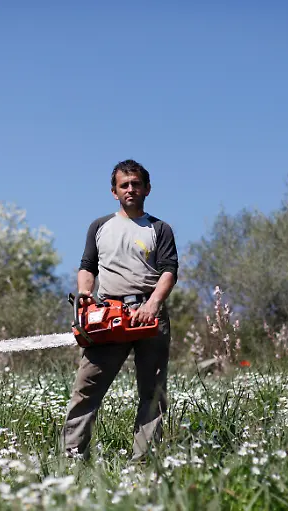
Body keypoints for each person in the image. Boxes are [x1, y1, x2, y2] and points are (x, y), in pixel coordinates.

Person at [61, 159, 178, 462]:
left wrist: (153, 304)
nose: (130, 189)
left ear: (147, 188)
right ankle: (72, 458)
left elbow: (169, 271)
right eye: (124, 185)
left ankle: (144, 463)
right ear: (114, 191)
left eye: (136, 184)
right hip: (108, 314)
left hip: (150, 315)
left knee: (153, 393)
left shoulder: (160, 229)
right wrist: (86, 293)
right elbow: (87, 267)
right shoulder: (100, 227)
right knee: (86, 388)